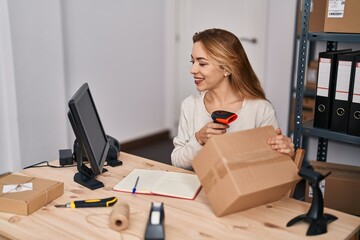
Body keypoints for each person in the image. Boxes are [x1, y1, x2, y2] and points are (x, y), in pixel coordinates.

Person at [171, 28, 294, 170]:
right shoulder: (189, 105)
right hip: (198, 188)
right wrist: (198, 139)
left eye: (202, 63)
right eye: (192, 61)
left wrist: (284, 153)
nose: (192, 70)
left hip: (245, 188)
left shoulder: (260, 109)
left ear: (227, 69)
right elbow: (177, 161)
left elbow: (273, 167)